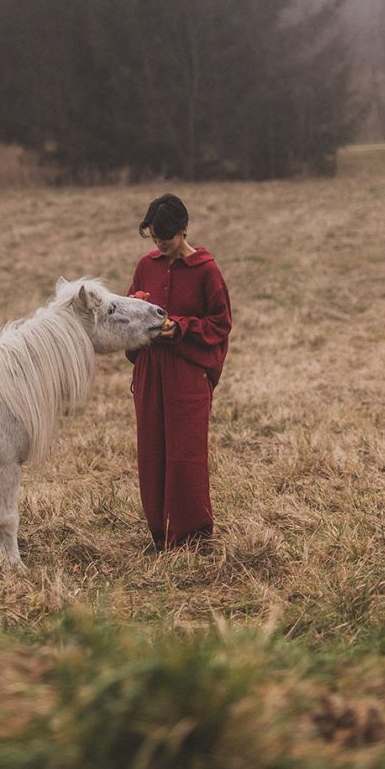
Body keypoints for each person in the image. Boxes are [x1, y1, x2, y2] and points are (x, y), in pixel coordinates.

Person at [127, 193, 231, 551]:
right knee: (152, 452)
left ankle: (190, 537)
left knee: (185, 455)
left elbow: (220, 324)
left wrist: (181, 327)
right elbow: (126, 314)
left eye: (166, 239)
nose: (161, 245)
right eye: (155, 238)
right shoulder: (146, 265)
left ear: (184, 230)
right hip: (151, 372)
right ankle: (160, 533)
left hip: (187, 374)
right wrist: (140, 316)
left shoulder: (207, 271)